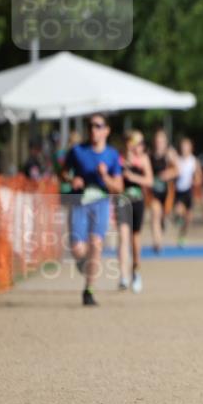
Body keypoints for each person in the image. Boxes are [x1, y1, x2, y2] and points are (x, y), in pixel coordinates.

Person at [63, 113, 124, 306]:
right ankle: (85, 265)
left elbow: (118, 187)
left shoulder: (112, 155)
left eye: (98, 126)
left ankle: (89, 290)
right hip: (80, 203)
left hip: (101, 204)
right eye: (90, 126)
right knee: (77, 248)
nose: (93, 130)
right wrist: (71, 179)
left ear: (106, 130)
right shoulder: (77, 151)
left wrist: (105, 177)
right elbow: (63, 172)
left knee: (96, 244)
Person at [117, 130, 153, 293]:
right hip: (123, 201)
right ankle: (123, 276)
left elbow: (149, 181)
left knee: (135, 241)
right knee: (123, 238)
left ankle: (136, 272)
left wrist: (133, 176)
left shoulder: (143, 160)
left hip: (138, 202)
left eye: (140, 144)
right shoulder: (120, 159)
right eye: (134, 143)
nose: (137, 147)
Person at [148, 129, 177, 254]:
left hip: (167, 191)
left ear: (165, 142)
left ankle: (163, 223)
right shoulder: (149, 155)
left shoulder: (170, 154)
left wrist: (167, 174)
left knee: (162, 216)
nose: (159, 143)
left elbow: (177, 170)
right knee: (155, 214)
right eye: (157, 141)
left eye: (161, 141)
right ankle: (157, 243)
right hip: (153, 191)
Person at [171, 137, 201, 248]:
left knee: (188, 219)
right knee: (179, 210)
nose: (184, 148)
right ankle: (177, 217)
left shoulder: (194, 161)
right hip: (179, 191)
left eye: (187, 146)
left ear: (191, 148)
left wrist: (196, 181)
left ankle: (182, 236)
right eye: (183, 146)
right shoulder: (177, 160)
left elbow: (199, 177)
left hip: (189, 191)